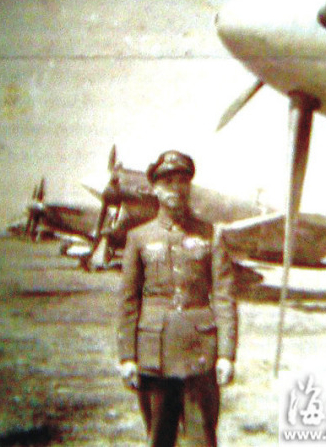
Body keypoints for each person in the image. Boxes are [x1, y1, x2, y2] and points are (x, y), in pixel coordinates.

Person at [117, 150, 238, 446]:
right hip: (153, 354)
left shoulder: (211, 235)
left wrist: (225, 354)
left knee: (202, 439)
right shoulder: (138, 237)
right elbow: (129, 301)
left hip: (200, 354)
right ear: (155, 189)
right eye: (168, 182)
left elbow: (224, 297)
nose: (176, 188)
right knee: (159, 438)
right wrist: (127, 356)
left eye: (183, 181)